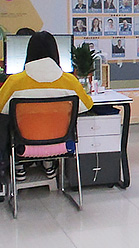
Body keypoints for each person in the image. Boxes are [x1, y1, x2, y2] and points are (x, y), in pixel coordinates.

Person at [0, 32, 93, 181]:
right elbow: (87, 105)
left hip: (23, 145)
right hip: (60, 144)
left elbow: (1, 107)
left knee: (6, 121)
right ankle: (49, 163)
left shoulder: (15, 82)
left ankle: (19, 166)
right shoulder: (70, 81)